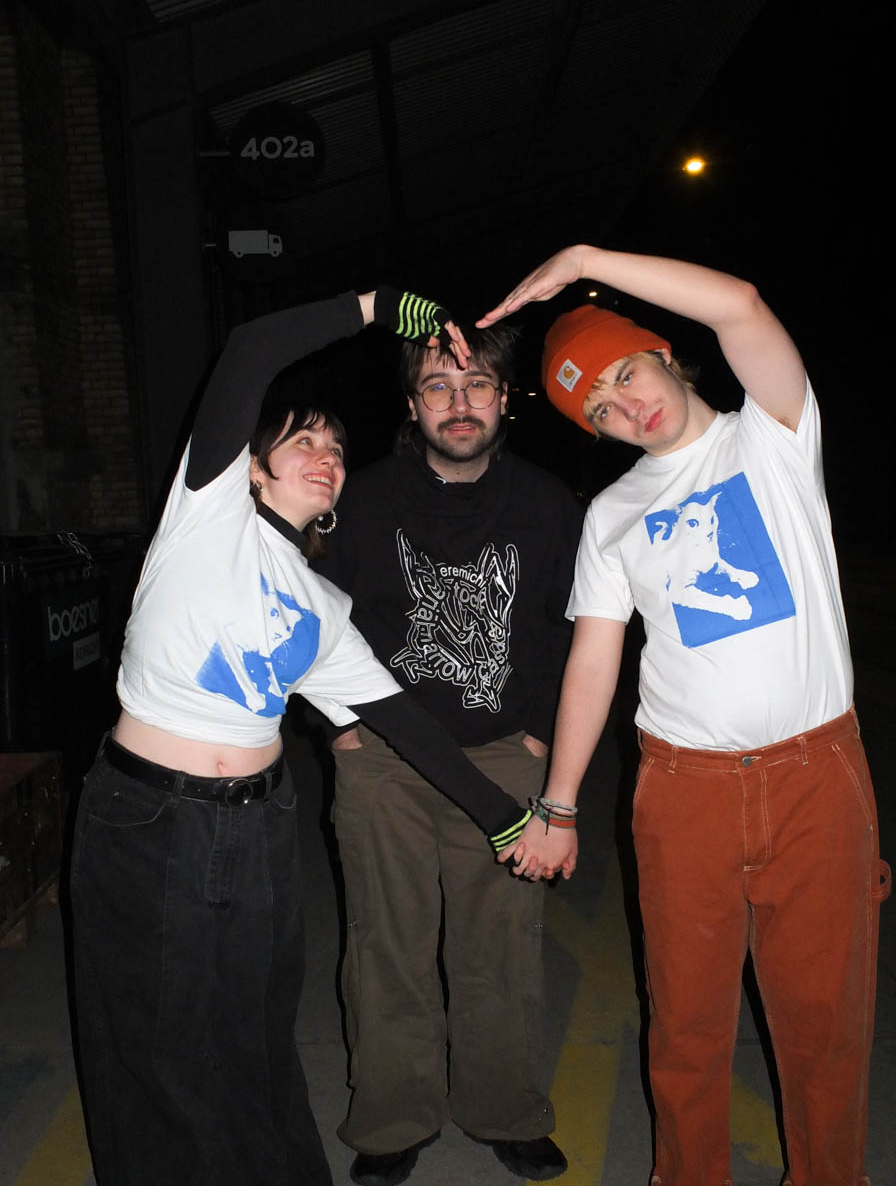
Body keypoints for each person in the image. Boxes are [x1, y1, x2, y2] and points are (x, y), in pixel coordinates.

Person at [68, 286, 535, 1186]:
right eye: (303, 441)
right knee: (157, 1047)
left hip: (258, 828)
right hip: (150, 822)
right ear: (252, 466)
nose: (325, 457)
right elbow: (249, 350)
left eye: (337, 449)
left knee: (256, 1037)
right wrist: (374, 307)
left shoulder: (322, 606)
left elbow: (402, 719)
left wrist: (504, 817)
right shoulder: (206, 517)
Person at [478, 245, 891, 1186]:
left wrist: (583, 260)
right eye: (600, 409)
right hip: (683, 787)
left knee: (825, 1021)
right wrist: (558, 804)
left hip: (815, 777)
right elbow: (593, 662)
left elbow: (741, 303)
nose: (628, 408)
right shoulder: (614, 513)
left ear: (662, 350)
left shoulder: (772, 435)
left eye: (626, 374)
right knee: (686, 1025)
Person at [317, 319, 582, 1185]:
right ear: (411, 404)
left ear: (506, 399)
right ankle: (393, 1119)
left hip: (502, 753)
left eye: (476, 387)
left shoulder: (548, 504)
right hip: (384, 758)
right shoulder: (362, 500)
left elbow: (569, 629)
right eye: (438, 386)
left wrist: (537, 733)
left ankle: (504, 1111)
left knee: (499, 946)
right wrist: (342, 731)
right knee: (386, 944)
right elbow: (314, 616)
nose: (459, 404)